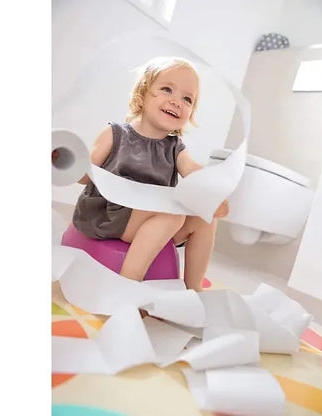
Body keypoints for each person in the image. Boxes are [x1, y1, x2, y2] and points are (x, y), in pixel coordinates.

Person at [71, 56, 229, 292]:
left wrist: (210, 191)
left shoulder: (175, 148)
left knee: (205, 218)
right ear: (142, 95)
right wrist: (68, 160)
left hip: (155, 223)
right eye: (167, 89)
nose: (177, 102)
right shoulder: (115, 134)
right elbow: (84, 176)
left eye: (187, 99)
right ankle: (128, 284)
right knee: (172, 215)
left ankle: (193, 288)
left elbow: (192, 170)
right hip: (109, 215)